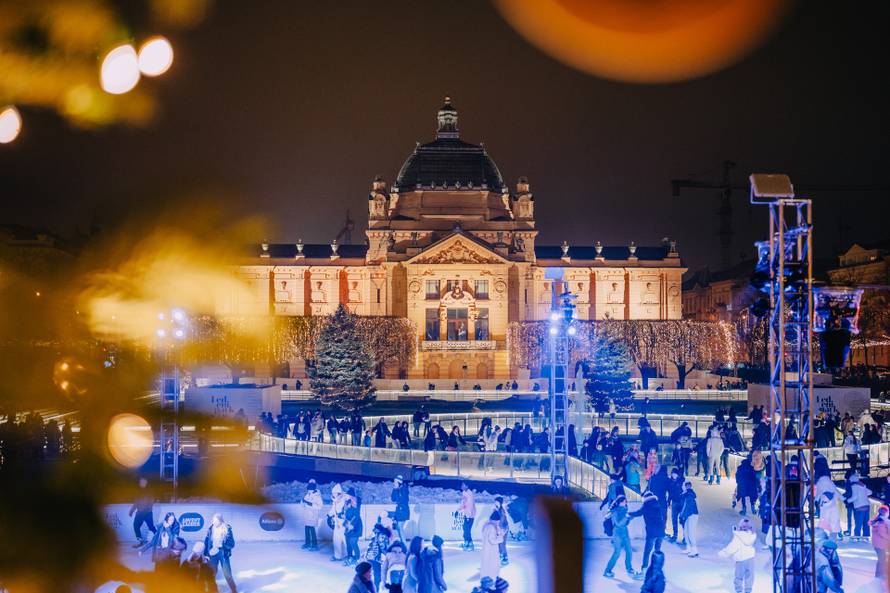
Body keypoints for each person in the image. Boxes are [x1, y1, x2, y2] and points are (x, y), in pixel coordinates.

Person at [628, 489, 665, 575]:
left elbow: (638, 513)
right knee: (657, 551)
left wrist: (629, 514)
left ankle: (644, 570)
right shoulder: (657, 504)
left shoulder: (646, 504)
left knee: (647, 551)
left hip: (652, 531)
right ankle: (657, 570)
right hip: (661, 531)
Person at [603, 495, 639, 578]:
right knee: (617, 552)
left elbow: (625, 523)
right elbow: (618, 523)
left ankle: (629, 569)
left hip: (625, 532)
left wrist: (629, 518)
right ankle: (607, 571)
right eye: (623, 501)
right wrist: (626, 517)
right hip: (617, 533)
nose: (625, 503)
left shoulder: (625, 509)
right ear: (619, 502)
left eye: (626, 501)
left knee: (629, 551)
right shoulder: (615, 511)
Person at [718, 518, 756, 593]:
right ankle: (748, 590)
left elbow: (732, 547)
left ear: (740, 527)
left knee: (739, 576)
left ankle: (739, 590)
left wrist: (723, 553)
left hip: (740, 559)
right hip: (750, 558)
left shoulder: (738, 537)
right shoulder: (752, 536)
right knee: (750, 576)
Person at [204, 513, 237, 593]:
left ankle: (234, 590)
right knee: (211, 573)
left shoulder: (227, 529)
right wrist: (206, 554)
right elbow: (207, 542)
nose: (214, 522)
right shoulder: (210, 529)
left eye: (216, 521)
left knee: (227, 574)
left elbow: (231, 543)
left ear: (221, 521)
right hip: (212, 554)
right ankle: (212, 590)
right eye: (213, 520)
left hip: (223, 553)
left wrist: (222, 545)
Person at [129, 477, 156, 546]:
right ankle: (140, 541)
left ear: (146, 483)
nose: (142, 483)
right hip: (139, 513)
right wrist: (132, 511)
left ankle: (159, 539)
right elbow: (136, 502)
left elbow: (152, 501)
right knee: (136, 526)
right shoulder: (137, 491)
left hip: (147, 513)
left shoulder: (149, 491)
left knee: (151, 527)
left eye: (143, 482)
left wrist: (147, 509)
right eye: (141, 482)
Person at [365, 522, 393, 591]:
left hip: (370, 556)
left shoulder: (375, 533)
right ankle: (375, 590)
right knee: (377, 574)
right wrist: (390, 556)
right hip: (375, 557)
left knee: (375, 574)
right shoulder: (382, 535)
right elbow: (382, 548)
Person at [302, 479, 323, 551]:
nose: (309, 491)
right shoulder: (308, 494)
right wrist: (303, 502)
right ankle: (307, 543)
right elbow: (303, 502)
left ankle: (314, 545)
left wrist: (310, 504)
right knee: (307, 529)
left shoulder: (317, 496)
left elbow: (320, 506)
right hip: (307, 515)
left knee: (312, 529)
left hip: (313, 515)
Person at [869, 505, 890, 578]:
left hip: (878, 543)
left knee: (882, 559)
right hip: (880, 544)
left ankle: (880, 574)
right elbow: (882, 533)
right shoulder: (881, 521)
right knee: (882, 560)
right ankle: (879, 575)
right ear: (885, 513)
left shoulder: (879, 520)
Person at [480, 512, 503, 581]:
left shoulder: (486, 526)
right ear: (496, 520)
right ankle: (491, 582)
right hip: (491, 551)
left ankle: (485, 581)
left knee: (486, 567)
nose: (498, 523)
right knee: (492, 567)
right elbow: (492, 540)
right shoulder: (492, 527)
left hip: (486, 550)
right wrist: (500, 537)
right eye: (498, 522)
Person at [850, 474, 872, 541]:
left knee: (858, 523)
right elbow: (870, 492)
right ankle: (866, 537)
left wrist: (847, 500)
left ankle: (857, 537)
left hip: (859, 507)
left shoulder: (854, 486)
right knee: (866, 523)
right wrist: (863, 494)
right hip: (867, 506)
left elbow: (855, 497)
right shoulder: (863, 485)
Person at [345, 491, 364, 566]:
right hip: (348, 525)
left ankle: (357, 558)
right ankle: (350, 556)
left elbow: (356, 515)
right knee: (348, 542)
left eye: (348, 495)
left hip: (356, 525)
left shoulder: (356, 503)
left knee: (353, 542)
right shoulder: (348, 503)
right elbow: (345, 514)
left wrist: (352, 525)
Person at [330, 483, 348, 561]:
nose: (333, 494)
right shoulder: (335, 501)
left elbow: (348, 509)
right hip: (337, 523)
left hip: (344, 522)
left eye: (335, 493)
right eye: (333, 493)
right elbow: (333, 509)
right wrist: (329, 515)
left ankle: (350, 555)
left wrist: (343, 514)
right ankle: (337, 556)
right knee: (336, 539)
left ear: (339, 493)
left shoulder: (344, 500)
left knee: (345, 539)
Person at [666, 468, 684, 542]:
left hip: (681, 502)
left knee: (682, 519)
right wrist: (668, 501)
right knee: (674, 519)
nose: (673, 475)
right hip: (674, 503)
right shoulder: (670, 482)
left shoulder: (681, 481)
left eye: (675, 473)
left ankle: (685, 536)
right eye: (672, 473)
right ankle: (675, 534)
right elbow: (670, 493)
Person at [391, 476, 411, 540]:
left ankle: (404, 543)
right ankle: (402, 542)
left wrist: (397, 490)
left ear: (399, 483)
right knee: (399, 528)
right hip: (399, 510)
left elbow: (402, 500)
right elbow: (393, 499)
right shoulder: (397, 489)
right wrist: (394, 489)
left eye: (395, 482)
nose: (394, 483)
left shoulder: (404, 489)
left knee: (400, 527)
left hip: (403, 511)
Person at [459, 482, 477, 550]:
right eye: (461, 485)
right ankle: (467, 543)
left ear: (467, 486)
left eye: (463, 485)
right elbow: (463, 503)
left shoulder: (470, 494)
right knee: (465, 529)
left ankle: (469, 544)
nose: (461, 486)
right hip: (466, 514)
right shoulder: (464, 492)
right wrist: (459, 510)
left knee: (467, 530)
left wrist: (468, 516)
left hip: (470, 515)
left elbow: (470, 506)